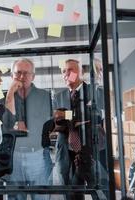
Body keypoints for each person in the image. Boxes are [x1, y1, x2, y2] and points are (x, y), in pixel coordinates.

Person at [2, 58, 52, 200]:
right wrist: (10, 93)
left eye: (26, 73)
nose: (22, 77)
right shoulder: (4, 97)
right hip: (13, 157)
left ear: (33, 76)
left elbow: (45, 124)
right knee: (16, 197)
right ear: (12, 76)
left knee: (41, 197)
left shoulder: (44, 96)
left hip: (37, 155)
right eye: (18, 73)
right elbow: (4, 126)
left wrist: (17, 125)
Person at [53, 59, 96, 199]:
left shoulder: (92, 91)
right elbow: (56, 121)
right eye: (64, 71)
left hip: (86, 148)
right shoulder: (59, 96)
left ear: (81, 72)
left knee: (89, 187)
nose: (66, 73)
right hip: (65, 148)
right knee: (69, 190)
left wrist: (66, 114)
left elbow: (94, 116)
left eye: (71, 70)